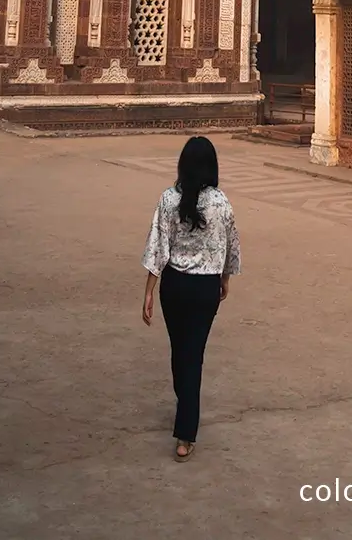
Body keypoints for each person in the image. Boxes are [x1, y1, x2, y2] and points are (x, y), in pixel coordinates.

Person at [141, 135, 241, 460]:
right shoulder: (221, 202)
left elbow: (158, 246)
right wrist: (224, 280)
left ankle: (185, 419)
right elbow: (230, 246)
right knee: (192, 355)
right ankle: (186, 431)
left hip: (175, 287)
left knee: (180, 351)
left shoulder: (169, 199)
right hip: (204, 290)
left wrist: (149, 292)